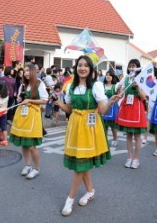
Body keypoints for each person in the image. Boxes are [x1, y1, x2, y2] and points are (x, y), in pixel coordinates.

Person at [53, 55, 120, 216]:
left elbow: (102, 111)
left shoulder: (96, 85)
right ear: (76, 68)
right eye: (79, 65)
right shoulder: (71, 86)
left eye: (85, 65)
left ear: (90, 69)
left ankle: (70, 199)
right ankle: (90, 191)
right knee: (81, 162)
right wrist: (59, 103)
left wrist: (110, 102)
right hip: (75, 127)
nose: (82, 68)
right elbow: (69, 109)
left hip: (90, 128)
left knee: (80, 164)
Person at [9, 64, 48, 179]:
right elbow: (20, 99)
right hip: (23, 115)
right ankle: (27, 165)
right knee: (23, 143)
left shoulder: (39, 83)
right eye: (24, 71)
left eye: (28, 70)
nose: (25, 73)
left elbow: (45, 100)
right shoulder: (23, 85)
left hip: (33, 117)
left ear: (33, 72)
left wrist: (30, 100)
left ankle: (36, 168)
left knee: (31, 145)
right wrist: (20, 99)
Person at [115, 59, 147, 169]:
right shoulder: (126, 79)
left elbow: (143, 97)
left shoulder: (142, 79)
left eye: (134, 66)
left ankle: (136, 159)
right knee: (128, 135)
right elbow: (121, 94)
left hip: (137, 108)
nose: (132, 68)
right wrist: (119, 89)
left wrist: (137, 86)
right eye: (130, 66)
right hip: (126, 107)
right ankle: (130, 157)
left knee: (137, 136)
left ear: (138, 67)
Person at [102, 69, 121, 147]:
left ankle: (115, 139)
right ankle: (104, 139)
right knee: (104, 125)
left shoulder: (115, 86)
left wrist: (119, 91)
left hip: (113, 107)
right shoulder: (101, 86)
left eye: (110, 75)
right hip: (103, 106)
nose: (108, 76)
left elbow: (120, 96)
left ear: (113, 77)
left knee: (113, 125)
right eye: (107, 75)